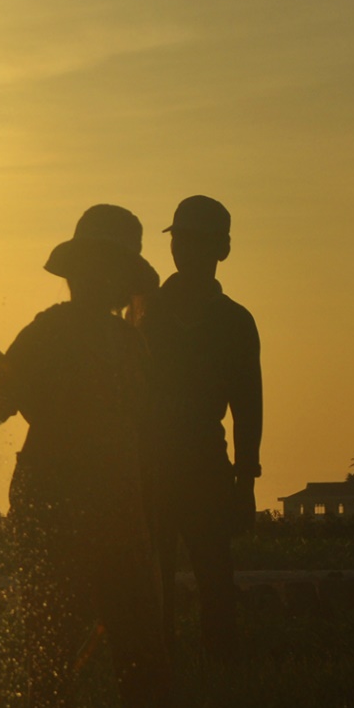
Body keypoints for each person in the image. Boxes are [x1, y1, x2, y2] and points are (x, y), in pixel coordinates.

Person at [0, 204, 169, 708]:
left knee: (54, 635)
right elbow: (146, 426)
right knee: (128, 634)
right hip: (105, 501)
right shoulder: (125, 343)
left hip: (60, 498)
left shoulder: (53, 334)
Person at [140, 195, 262, 661]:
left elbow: (248, 406)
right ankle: (156, 667)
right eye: (181, 241)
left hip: (205, 462)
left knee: (215, 575)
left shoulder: (234, 322)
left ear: (222, 250)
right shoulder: (146, 310)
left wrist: (244, 480)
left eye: (197, 243)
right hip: (149, 462)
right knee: (152, 577)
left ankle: (221, 667)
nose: (184, 251)